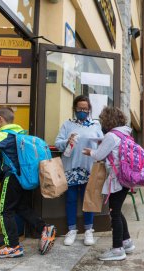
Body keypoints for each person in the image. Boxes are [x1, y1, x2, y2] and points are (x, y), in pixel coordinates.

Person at [0, 106, 56, 258]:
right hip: (24, 179)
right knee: (22, 208)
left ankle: (12, 246)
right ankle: (44, 229)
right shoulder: (19, 135)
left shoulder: (3, 134)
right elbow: (9, 157)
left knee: (5, 211)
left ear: (0, 119)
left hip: (11, 178)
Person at [82, 106, 135, 261]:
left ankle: (117, 249)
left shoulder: (112, 135)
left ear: (108, 120)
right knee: (117, 210)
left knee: (115, 213)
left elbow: (99, 155)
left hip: (117, 179)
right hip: (125, 177)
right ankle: (127, 242)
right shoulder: (125, 133)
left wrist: (89, 152)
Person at [55, 95, 103, 246]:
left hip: (89, 168)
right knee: (70, 200)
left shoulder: (96, 125)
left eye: (85, 109)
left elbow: (102, 144)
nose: (82, 111)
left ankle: (89, 230)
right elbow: (58, 143)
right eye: (79, 108)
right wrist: (66, 141)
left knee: (88, 200)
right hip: (70, 168)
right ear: (74, 109)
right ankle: (72, 230)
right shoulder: (67, 125)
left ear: (89, 110)